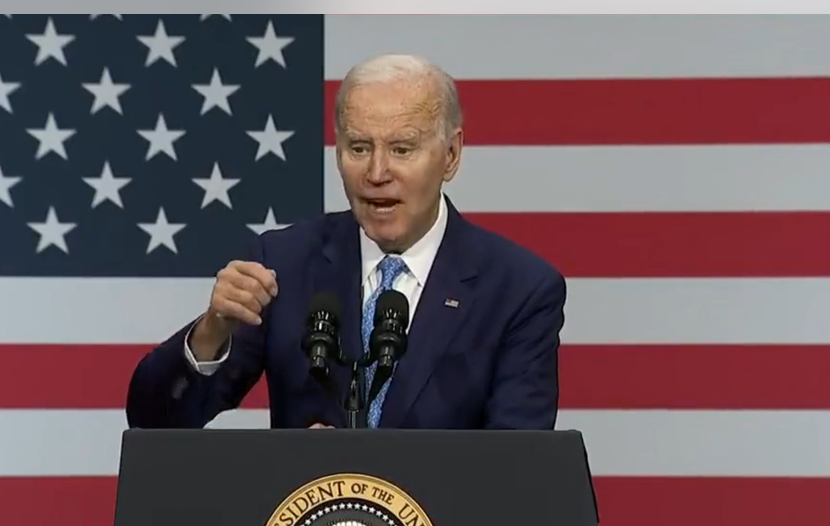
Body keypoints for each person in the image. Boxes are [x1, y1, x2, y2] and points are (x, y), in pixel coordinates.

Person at [125, 53, 567, 430]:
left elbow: (515, 467)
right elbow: (155, 420)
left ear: (450, 155)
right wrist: (211, 332)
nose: (376, 172)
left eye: (402, 149)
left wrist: (352, 468)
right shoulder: (284, 263)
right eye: (358, 148)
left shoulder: (518, 289)